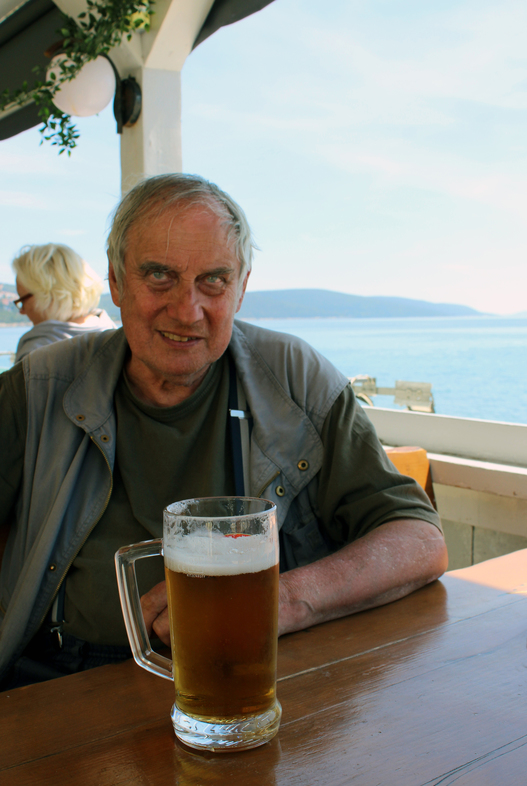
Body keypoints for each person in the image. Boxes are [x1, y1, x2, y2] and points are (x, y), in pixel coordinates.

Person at [0, 174, 447, 689]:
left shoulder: (296, 379)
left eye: (213, 279)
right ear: (117, 282)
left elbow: (420, 539)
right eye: (159, 276)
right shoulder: (40, 386)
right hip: (64, 680)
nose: (187, 310)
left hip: (252, 674)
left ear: (241, 289)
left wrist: (280, 601)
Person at [12, 243, 116, 362]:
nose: (22, 311)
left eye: (22, 301)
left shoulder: (35, 355)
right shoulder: (112, 332)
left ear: (47, 295)